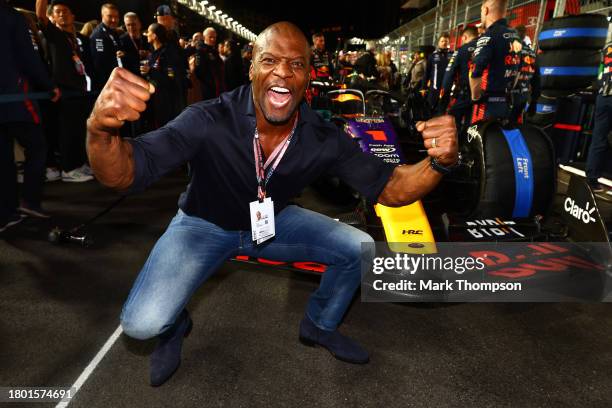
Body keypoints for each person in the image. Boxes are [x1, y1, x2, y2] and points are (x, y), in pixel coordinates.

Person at [86, 21, 457, 387]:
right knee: (141, 324)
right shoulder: (209, 119)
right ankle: (175, 325)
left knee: (357, 248)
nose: (283, 71)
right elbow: (125, 174)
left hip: (272, 221)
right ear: (252, 67)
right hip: (202, 224)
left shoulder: (322, 137)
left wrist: (439, 161)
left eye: (296, 64)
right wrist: (99, 132)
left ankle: (319, 326)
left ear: (307, 75)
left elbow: (391, 188)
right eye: (270, 61)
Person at [1, 0, 60, 231]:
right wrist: (49, 85)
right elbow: (27, 57)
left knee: (3, 157)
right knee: (37, 146)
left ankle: (5, 213)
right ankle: (30, 200)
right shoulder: (10, 16)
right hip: (14, 96)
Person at [35, 0, 94, 182]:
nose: (62, 14)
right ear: (52, 17)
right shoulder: (53, 33)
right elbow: (40, 15)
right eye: (58, 12)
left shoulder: (72, 39)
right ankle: (69, 170)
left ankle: (77, 164)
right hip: (65, 92)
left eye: (66, 11)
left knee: (78, 130)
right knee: (68, 132)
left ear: (73, 16)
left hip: (79, 91)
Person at [469, 0, 522, 123]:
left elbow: (475, 70)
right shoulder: (515, 35)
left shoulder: (488, 36)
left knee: (478, 140)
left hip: (487, 106)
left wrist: (475, 97)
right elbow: (519, 68)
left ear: (485, 10)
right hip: (507, 103)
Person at [141, 23, 182, 130]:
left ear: (154, 36)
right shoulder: (154, 53)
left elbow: (171, 77)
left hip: (166, 101)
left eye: (148, 32)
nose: (146, 35)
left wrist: (151, 71)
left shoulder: (168, 52)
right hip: (155, 100)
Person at [440, 26, 478, 132]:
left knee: (452, 116)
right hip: (483, 95)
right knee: (473, 124)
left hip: (465, 94)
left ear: (465, 37)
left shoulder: (461, 51)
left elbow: (449, 74)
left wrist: (443, 95)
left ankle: (458, 143)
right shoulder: (486, 47)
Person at [585, 41, 612, 192]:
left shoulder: (607, 47)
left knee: (598, 138)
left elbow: (600, 72)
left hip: (603, 96)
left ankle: (592, 179)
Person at [510, 24, 540, 124]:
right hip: (523, 97)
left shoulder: (512, 50)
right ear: (524, 36)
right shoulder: (532, 53)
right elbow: (537, 80)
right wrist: (534, 102)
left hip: (508, 97)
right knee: (513, 126)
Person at [90, 3, 122, 90]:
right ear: (102, 16)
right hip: (107, 84)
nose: (114, 20)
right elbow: (99, 64)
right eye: (110, 16)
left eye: (116, 16)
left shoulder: (113, 32)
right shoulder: (98, 35)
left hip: (116, 79)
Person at [195, 26, 225, 100]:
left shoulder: (214, 51)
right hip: (207, 88)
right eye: (210, 37)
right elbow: (199, 71)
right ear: (204, 37)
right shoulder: (200, 51)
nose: (213, 39)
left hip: (217, 87)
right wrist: (208, 82)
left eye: (214, 37)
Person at [423, 33, 450, 111]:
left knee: (442, 112)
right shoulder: (432, 56)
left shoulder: (452, 56)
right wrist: (423, 88)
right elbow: (427, 73)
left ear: (448, 43)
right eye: (442, 41)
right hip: (434, 90)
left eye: (446, 41)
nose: (444, 43)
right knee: (429, 112)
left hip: (446, 90)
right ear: (438, 43)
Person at [119, 12, 147, 77]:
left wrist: (149, 54)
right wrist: (137, 54)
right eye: (128, 25)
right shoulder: (121, 41)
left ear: (139, 24)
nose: (131, 27)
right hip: (131, 77)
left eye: (133, 24)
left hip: (147, 76)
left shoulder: (147, 39)